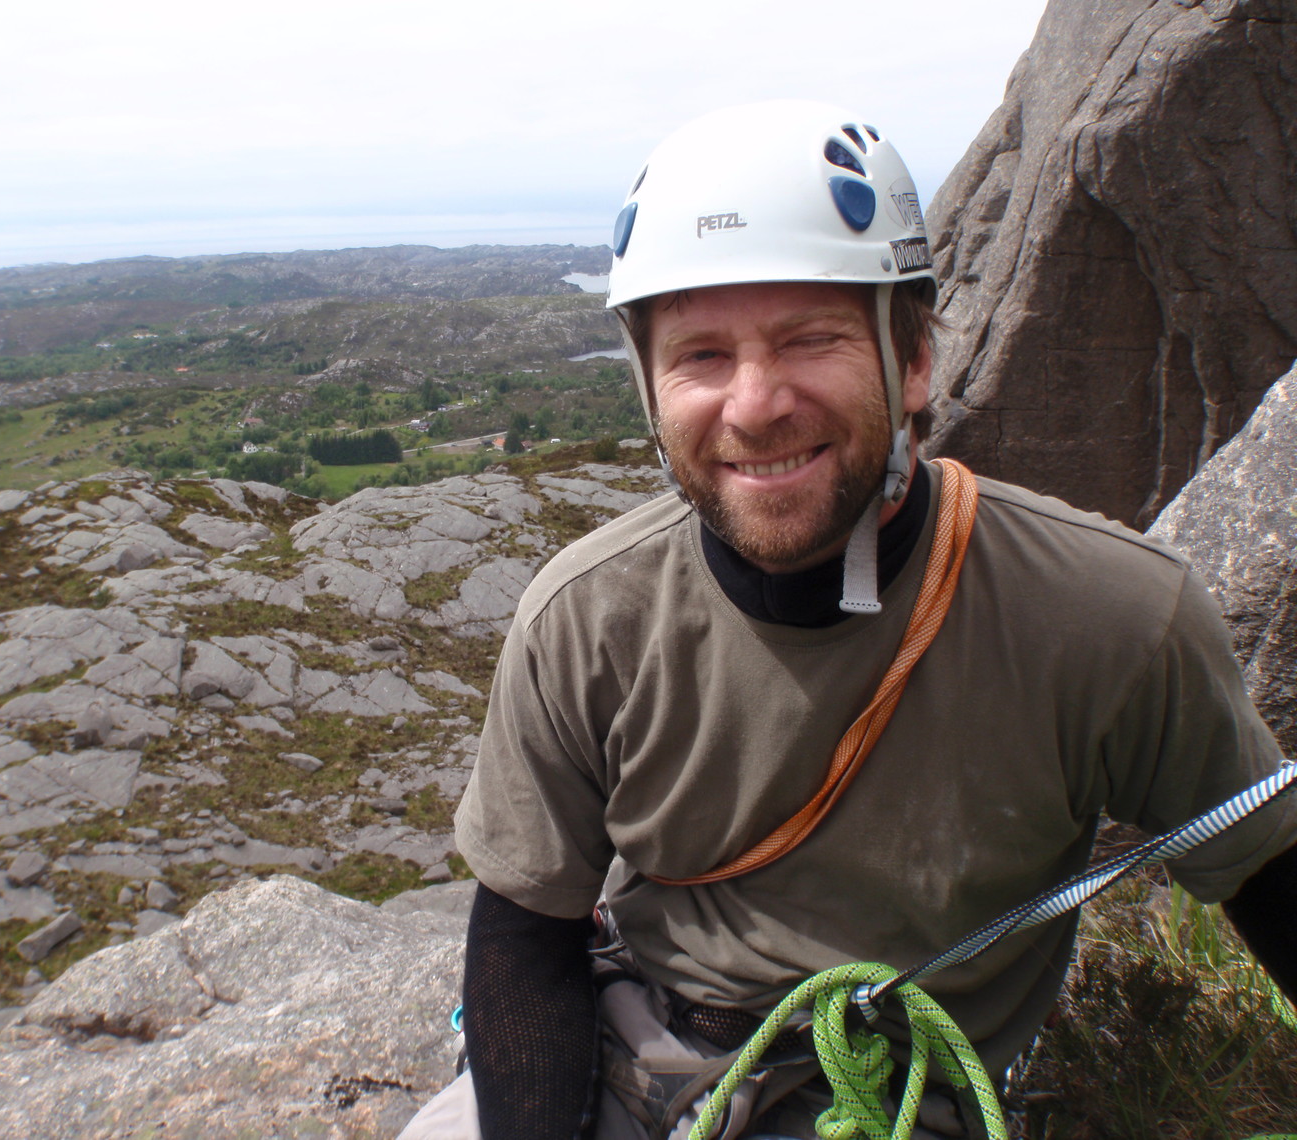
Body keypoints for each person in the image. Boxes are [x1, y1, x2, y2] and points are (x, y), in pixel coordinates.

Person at [398, 100, 1297, 1140]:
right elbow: (526, 936)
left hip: (885, 1097)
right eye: (699, 356)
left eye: (809, 339)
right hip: (633, 1049)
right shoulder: (586, 619)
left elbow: (1265, 872)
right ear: (649, 388)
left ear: (911, 360)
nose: (753, 405)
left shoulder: (1107, 616)